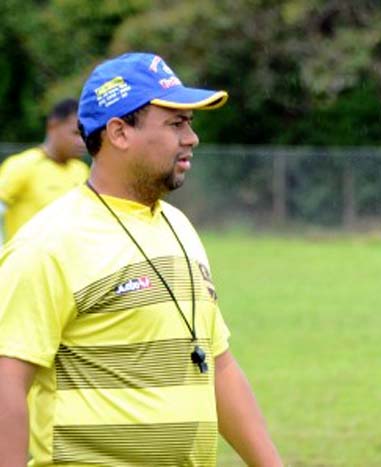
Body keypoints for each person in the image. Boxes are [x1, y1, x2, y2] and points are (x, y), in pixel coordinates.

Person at [0, 52, 282, 466]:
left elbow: (218, 366)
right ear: (119, 133)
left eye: (190, 123)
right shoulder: (49, 243)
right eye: (175, 123)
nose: (191, 138)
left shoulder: (179, 227)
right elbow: (7, 381)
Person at [0, 98, 88, 245]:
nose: (82, 142)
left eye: (85, 135)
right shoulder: (22, 165)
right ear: (52, 126)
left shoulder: (82, 170)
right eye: (75, 133)